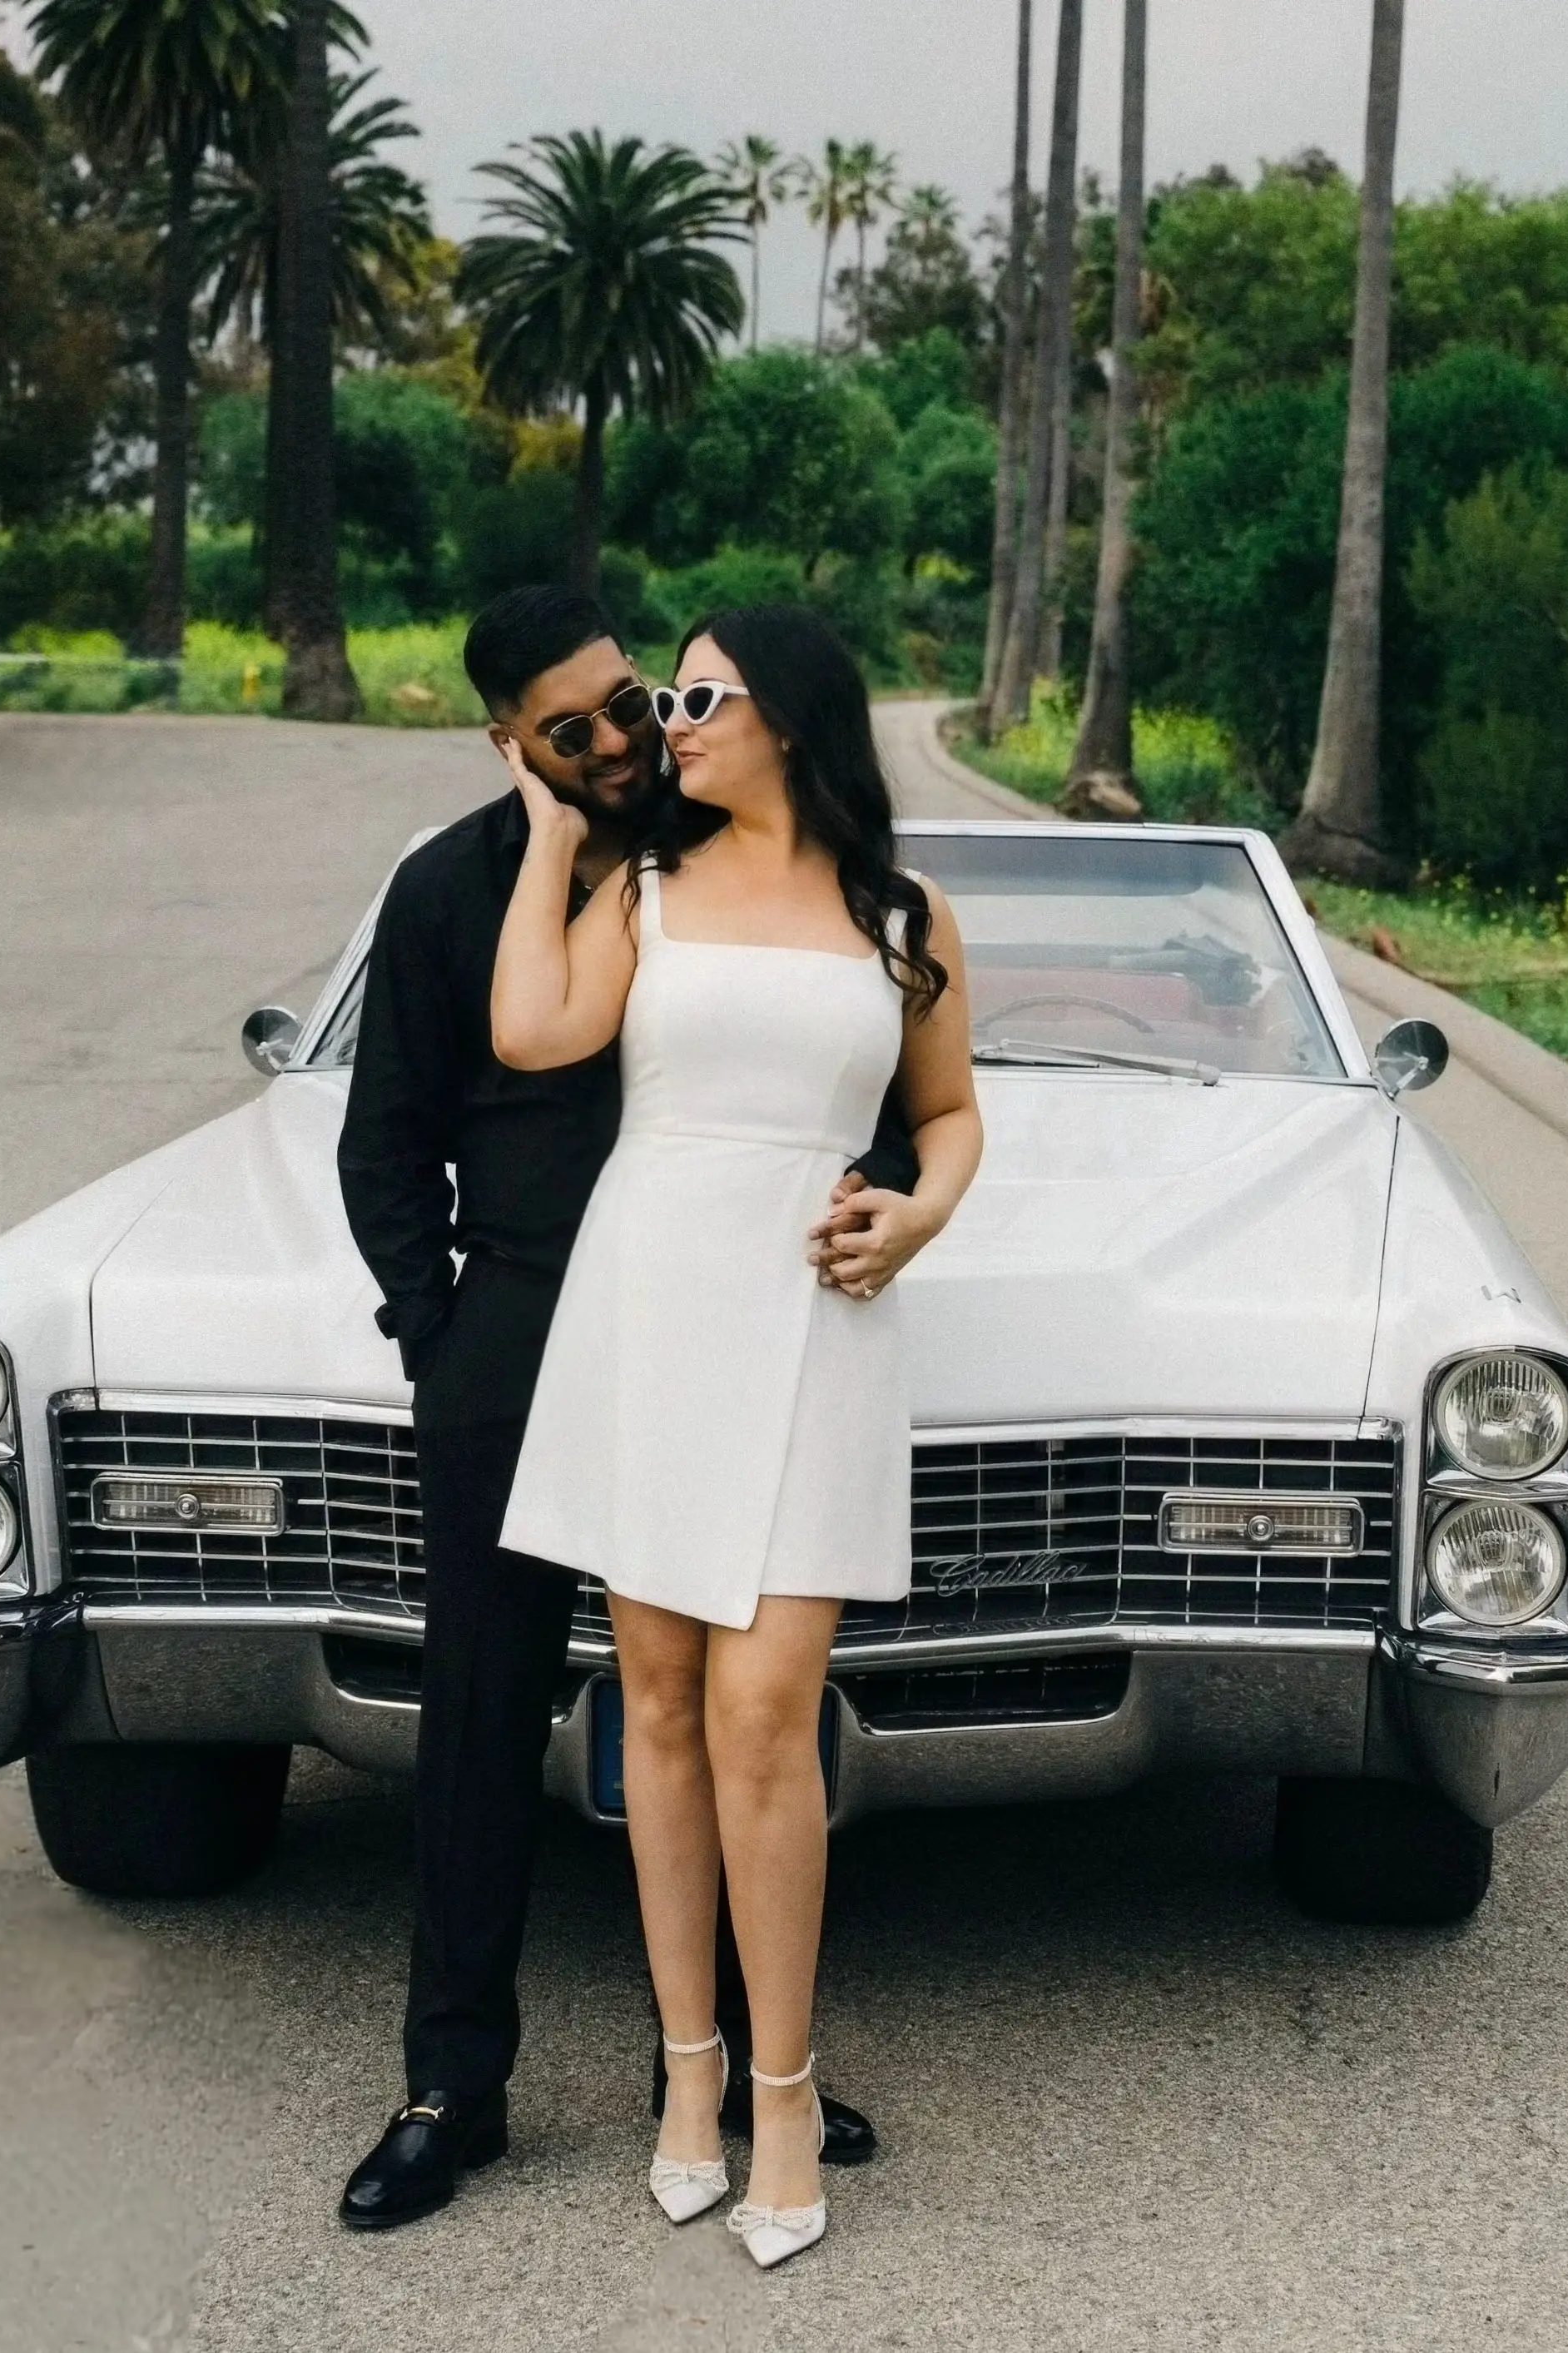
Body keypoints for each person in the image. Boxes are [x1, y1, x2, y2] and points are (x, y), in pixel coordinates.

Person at [331, 587, 904, 2232]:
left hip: (726, 1323)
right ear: (511, 743)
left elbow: (874, 1069)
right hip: (519, 1331)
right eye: (568, 728)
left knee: (737, 1717)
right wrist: (441, 1335)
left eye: (631, 703)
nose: (618, 741)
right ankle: (454, 2088)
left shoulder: (734, 846)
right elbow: (383, 1142)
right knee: (484, 1712)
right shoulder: (447, 889)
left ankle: (728, 2069)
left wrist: (893, 1203)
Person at [489, 604, 985, 2267]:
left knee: (768, 1709)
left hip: (814, 1320)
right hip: (651, 1310)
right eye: (665, 696)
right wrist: (551, 836)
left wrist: (916, 1222)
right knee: (657, 1704)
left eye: (696, 695)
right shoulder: (641, 888)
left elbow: (950, 1115)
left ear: (786, 715)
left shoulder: (902, 913)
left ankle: (785, 2088)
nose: (664, 720)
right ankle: (685, 2078)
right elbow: (533, 1029)